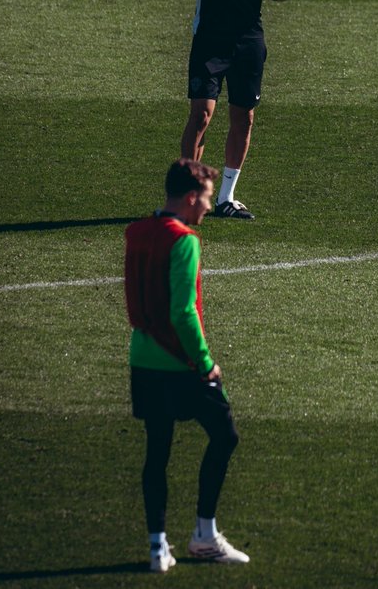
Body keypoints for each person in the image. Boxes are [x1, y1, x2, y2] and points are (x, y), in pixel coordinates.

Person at [125, 0, 316, 221]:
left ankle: (226, 197)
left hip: (249, 43)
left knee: (244, 117)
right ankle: (186, 197)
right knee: (201, 115)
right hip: (210, 41)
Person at [125, 159, 249, 572]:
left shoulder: (137, 232)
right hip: (179, 361)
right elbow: (183, 312)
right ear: (191, 197)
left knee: (156, 451)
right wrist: (205, 362)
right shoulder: (185, 240)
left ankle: (158, 545)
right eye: (208, 199)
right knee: (226, 434)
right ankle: (204, 535)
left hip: (142, 358)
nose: (209, 208)